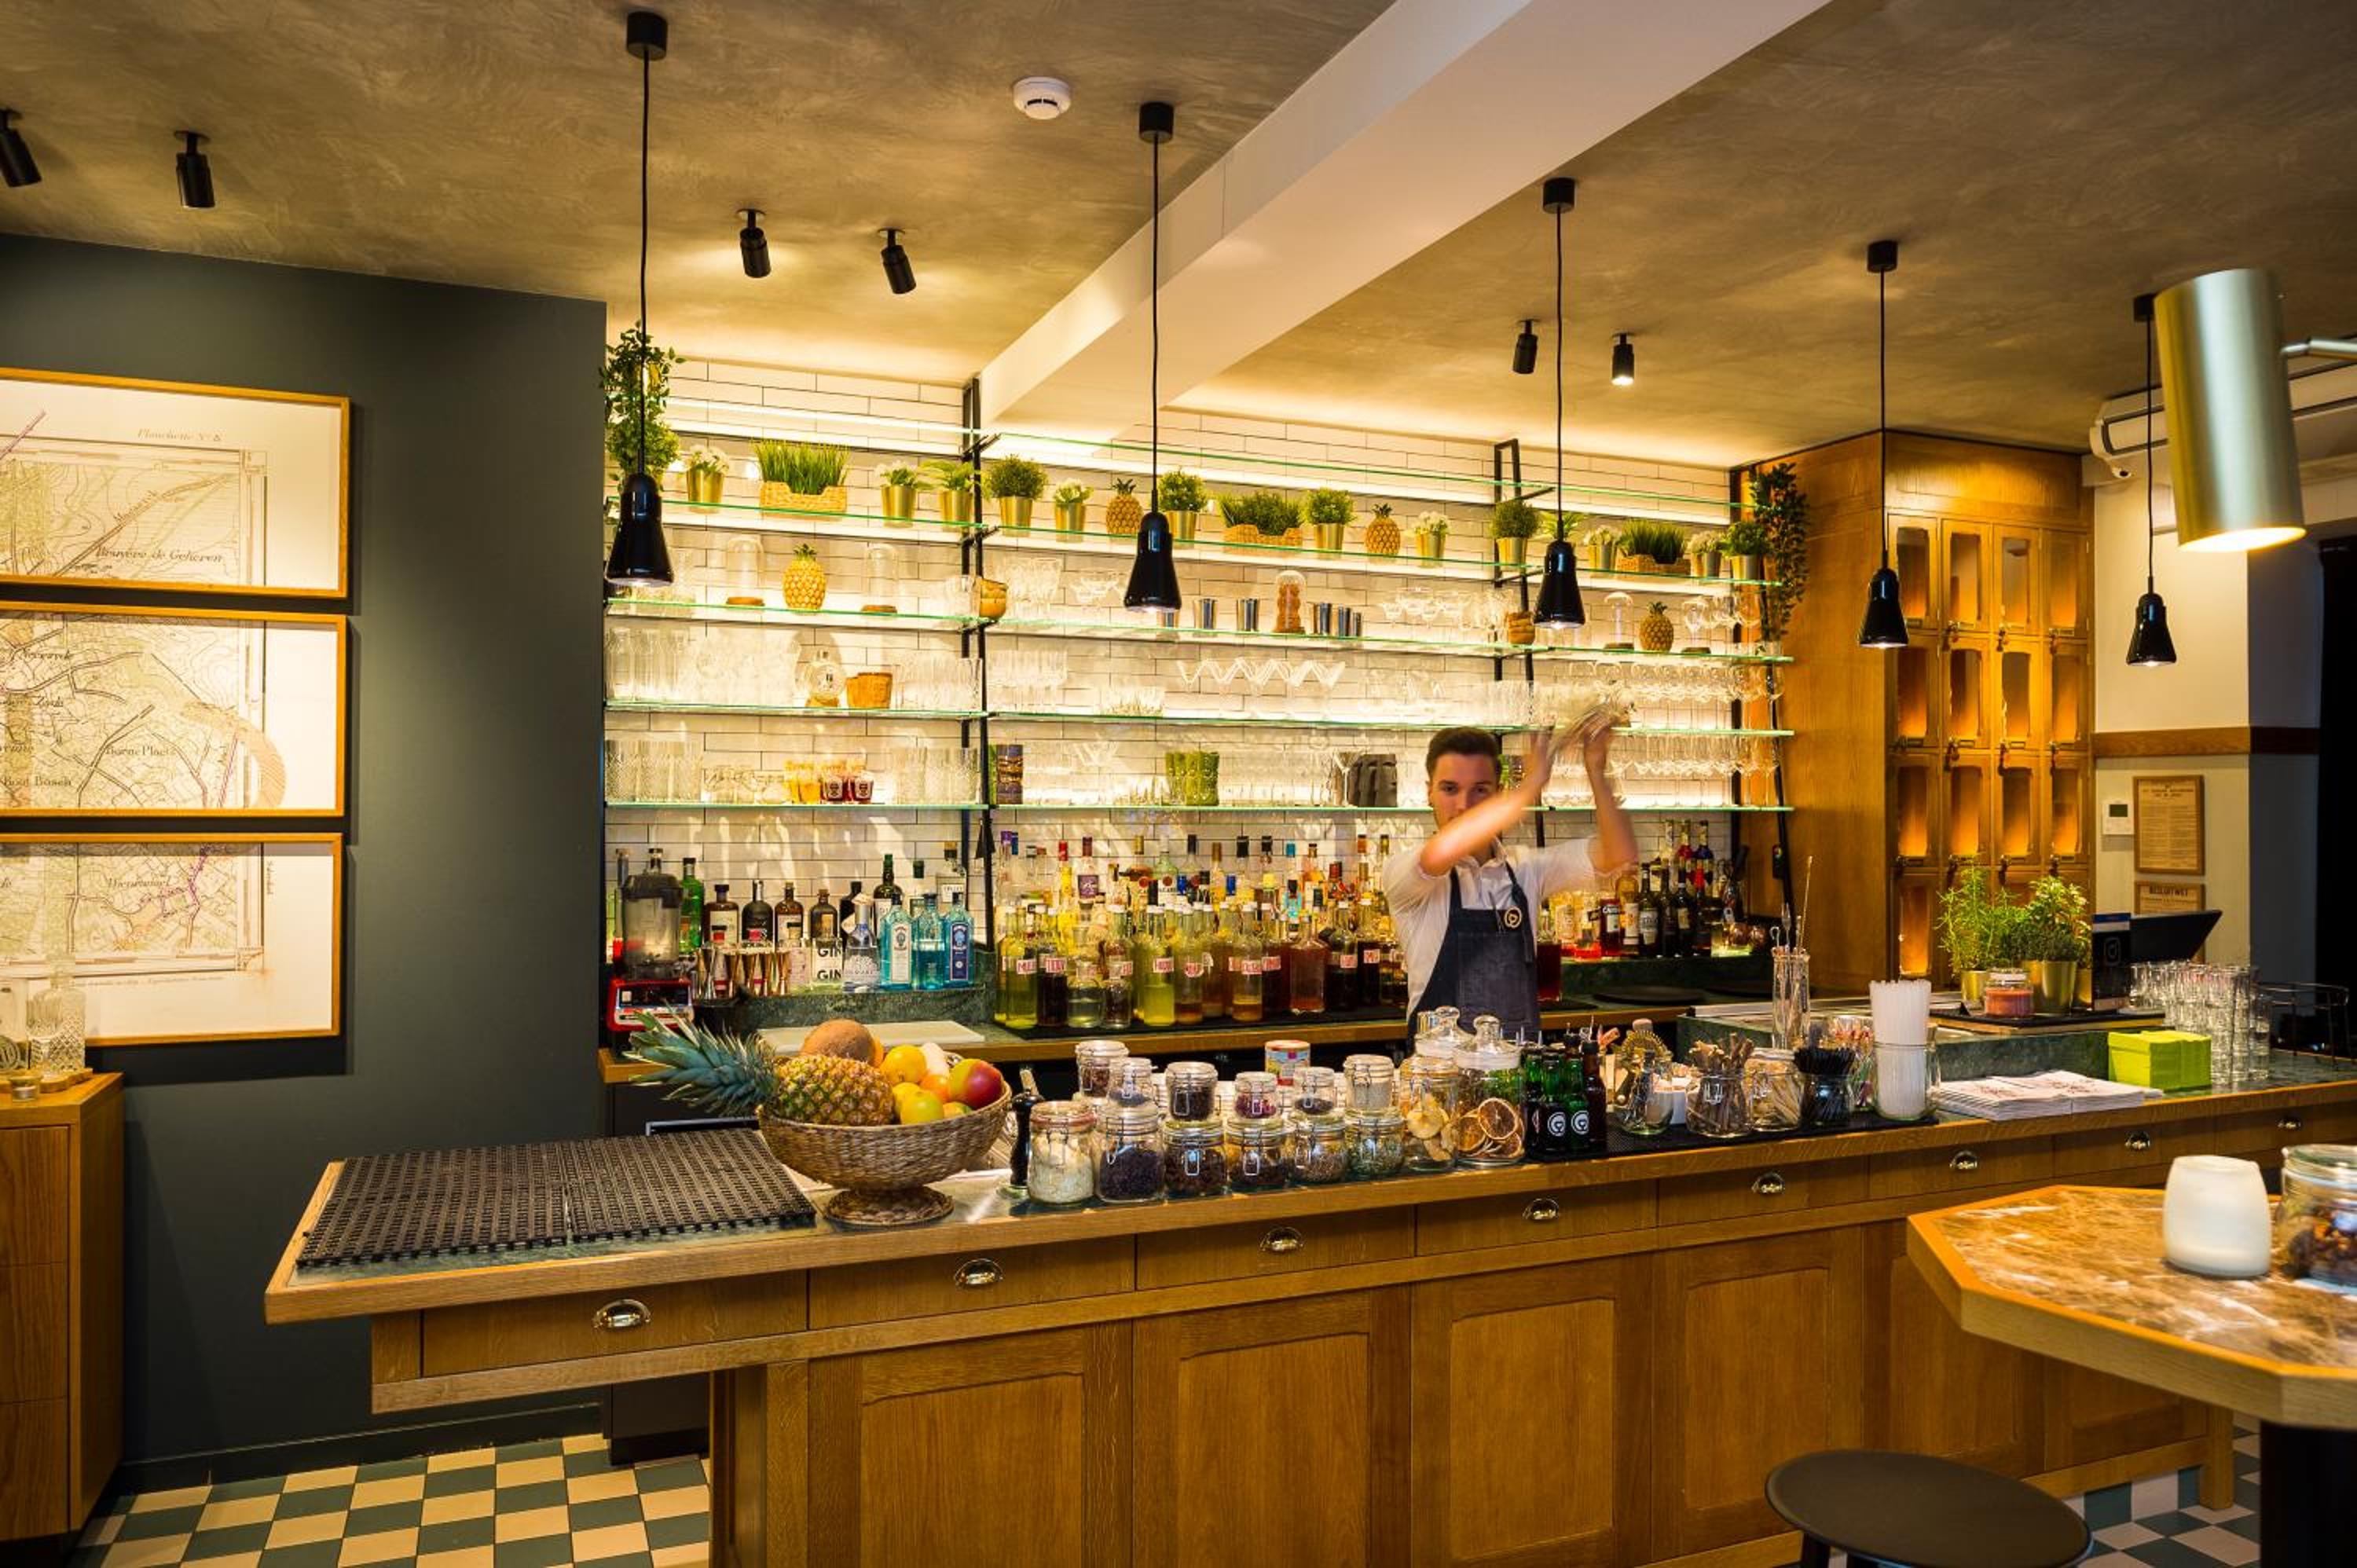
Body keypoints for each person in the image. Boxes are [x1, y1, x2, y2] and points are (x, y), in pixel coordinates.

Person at [1382, 717, 1637, 1040]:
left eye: (1480, 790)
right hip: (1438, 1070)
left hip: (1519, 1065)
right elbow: (1442, 851)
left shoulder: (1526, 868)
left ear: (1498, 793)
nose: (1464, 805)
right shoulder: (1405, 871)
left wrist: (1597, 770)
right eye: (1449, 789)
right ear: (1428, 793)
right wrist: (1530, 787)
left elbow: (1618, 854)